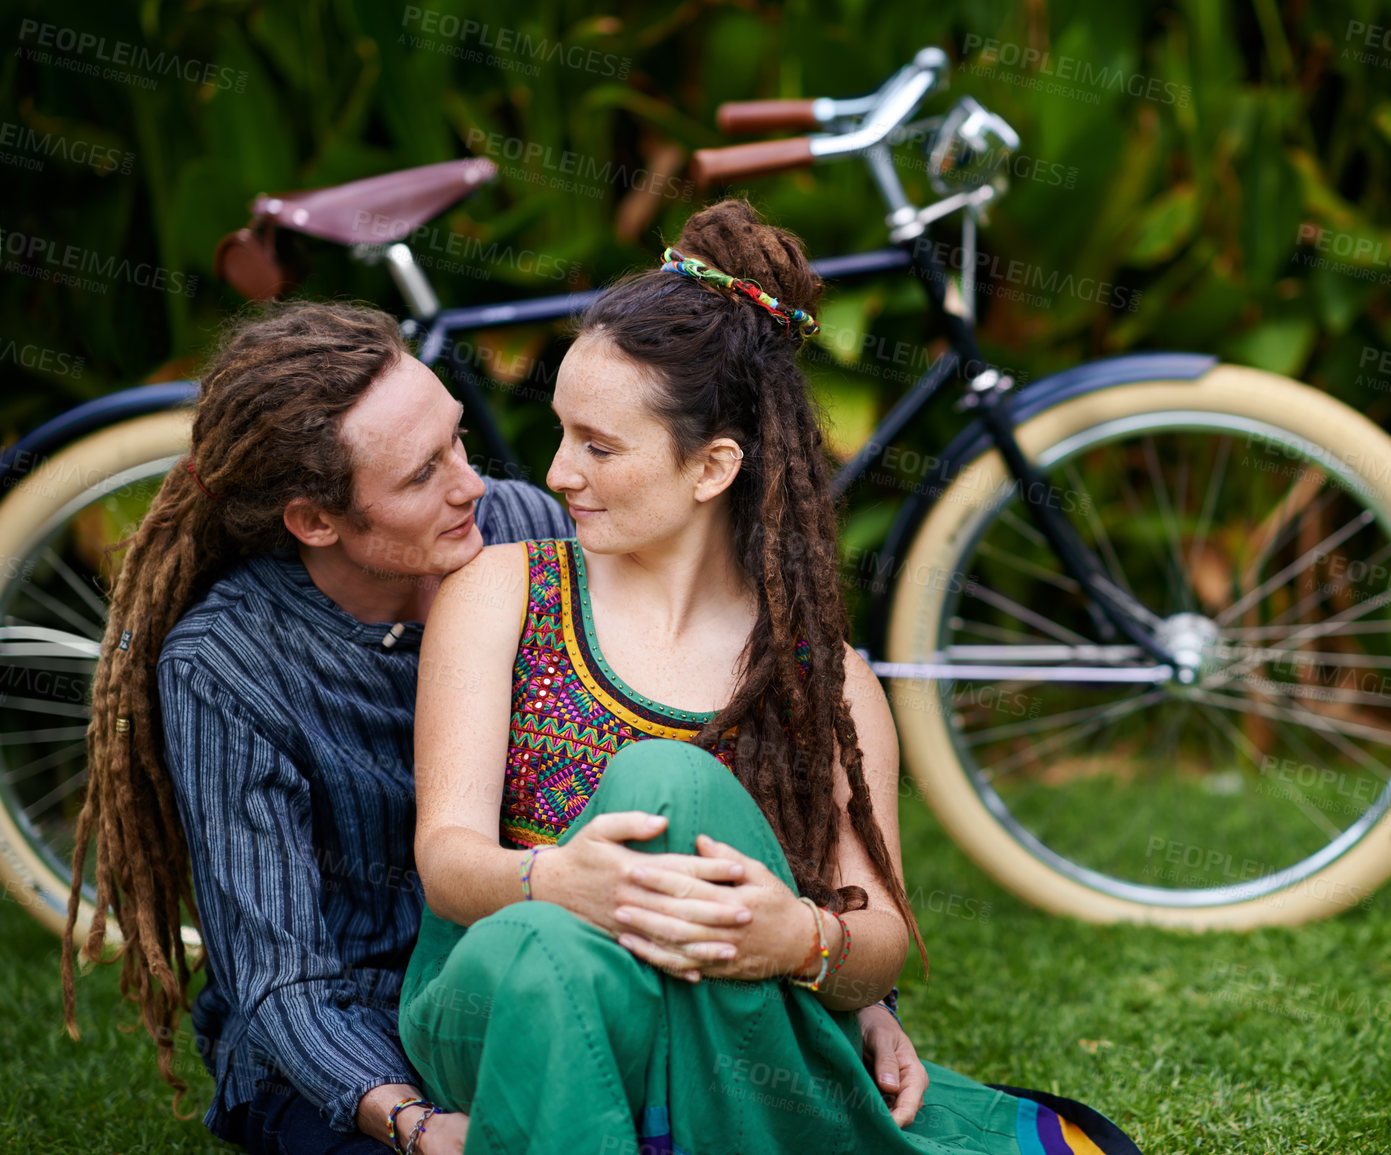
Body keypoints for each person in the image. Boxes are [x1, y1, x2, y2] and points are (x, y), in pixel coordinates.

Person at [59, 300, 931, 1155]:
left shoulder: (516, 531)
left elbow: (750, 813)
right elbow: (281, 975)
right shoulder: (225, 665)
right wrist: (410, 1122)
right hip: (360, 1039)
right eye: (420, 474)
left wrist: (846, 985)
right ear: (317, 521)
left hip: (601, 965)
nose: (473, 483)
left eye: (457, 441)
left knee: (632, 846)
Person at [403, 200, 1141, 1154]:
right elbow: (449, 863)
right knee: (549, 936)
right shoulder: (506, 590)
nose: (556, 473)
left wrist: (794, 938)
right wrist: (560, 880)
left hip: (664, 1008)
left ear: (711, 467)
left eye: (598, 445)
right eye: (559, 433)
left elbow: (873, 938)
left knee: (638, 822)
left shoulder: (819, 675)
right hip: (484, 998)